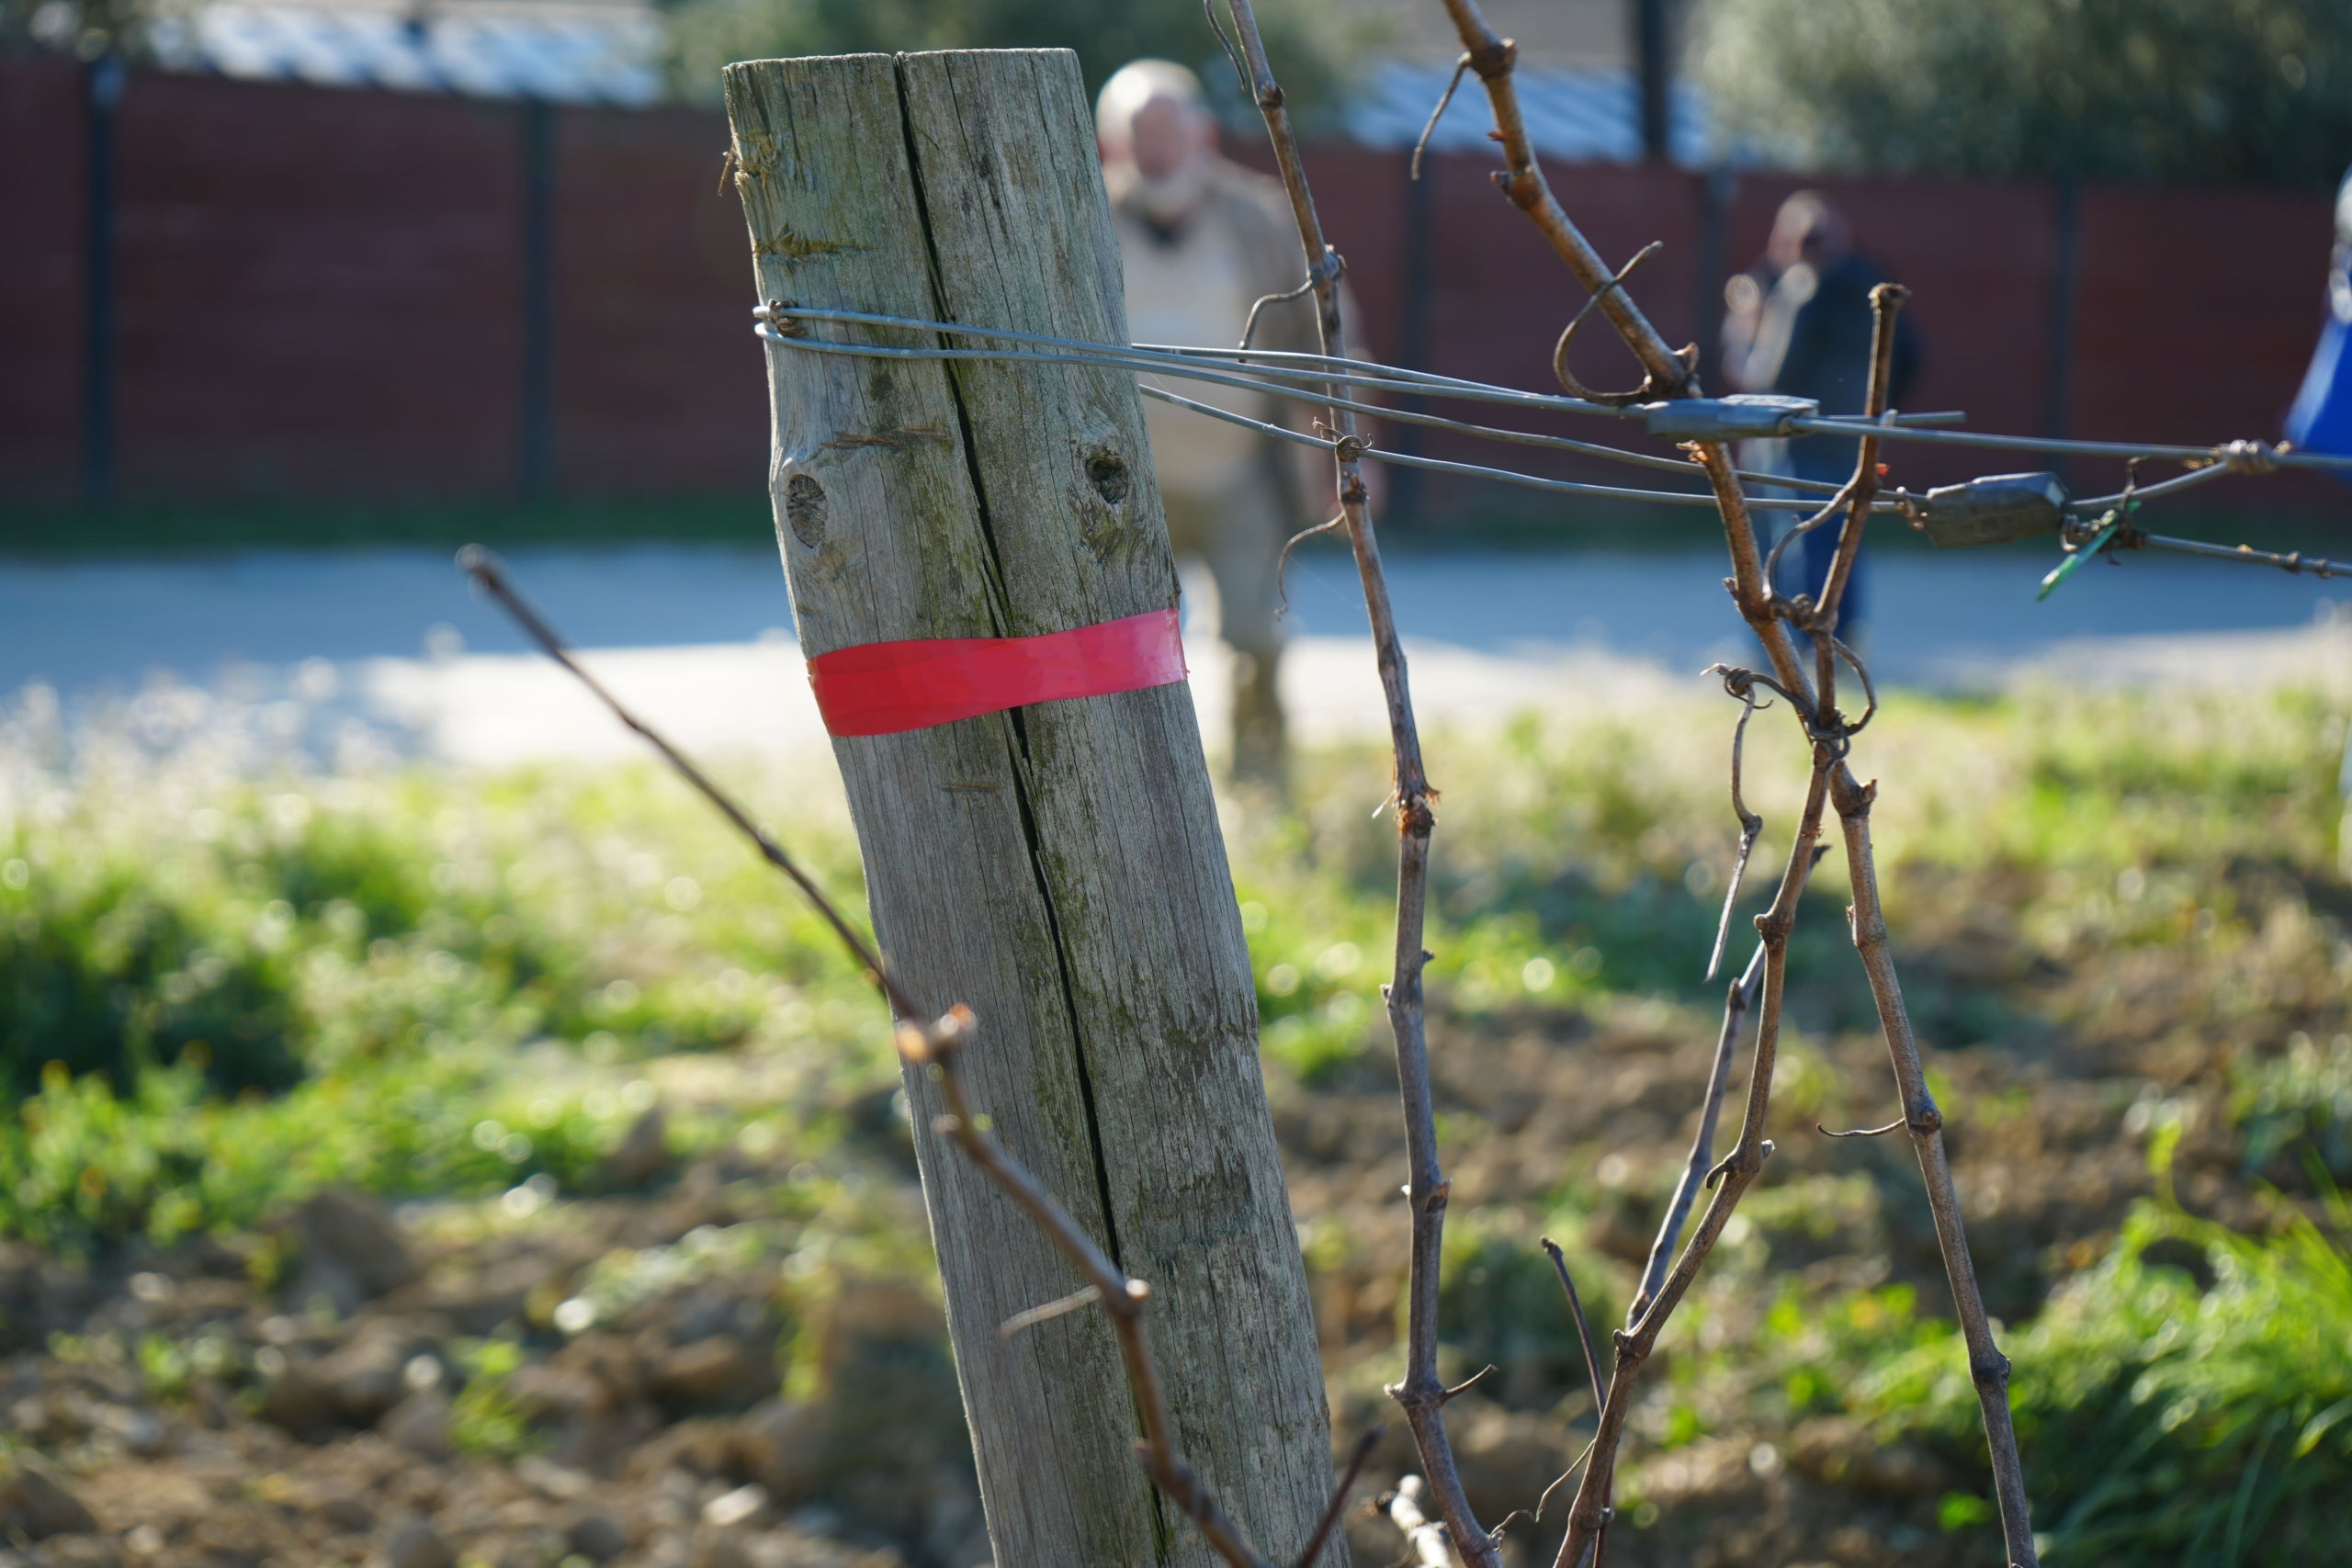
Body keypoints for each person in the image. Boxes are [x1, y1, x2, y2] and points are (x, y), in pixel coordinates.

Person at [1095, 59, 1356, 788]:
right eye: (1139, 133)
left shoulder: (1259, 218)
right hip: (1119, 488)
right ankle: (1136, 789)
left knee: (1256, 642)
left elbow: (1324, 335)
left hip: (1242, 477)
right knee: (1120, 652)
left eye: (1169, 130)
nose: (1157, 149)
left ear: (1203, 134)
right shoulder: (1083, 217)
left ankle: (1261, 786)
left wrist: (1345, 448)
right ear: (1111, 142)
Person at [1722, 191, 1919, 636]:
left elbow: (1770, 373)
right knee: (1843, 543)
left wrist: (1742, 338)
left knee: (1793, 545)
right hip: (1853, 438)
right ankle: (1841, 639)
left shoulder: (1801, 287)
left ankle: (1796, 646)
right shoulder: (1873, 286)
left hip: (1794, 439)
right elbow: (1910, 356)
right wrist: (1878, 414)